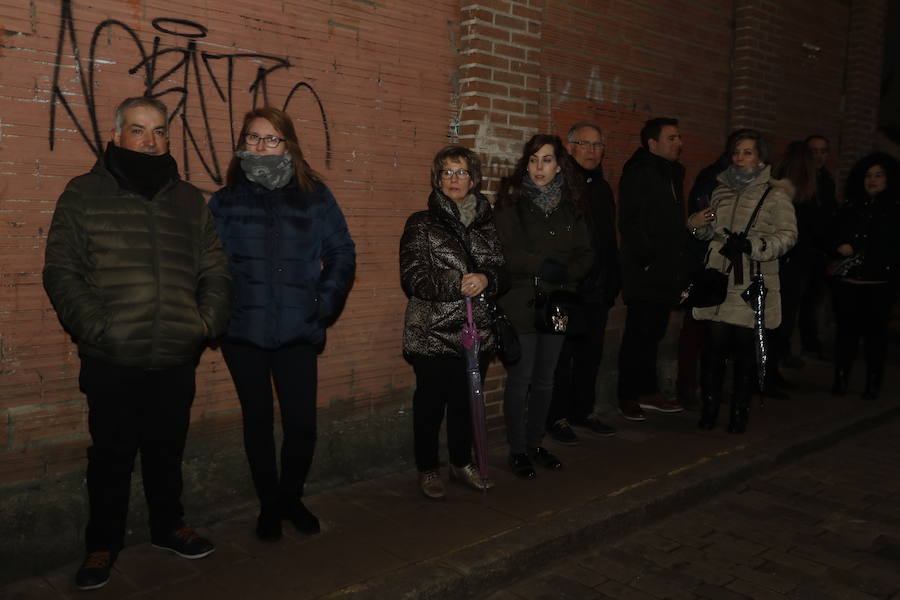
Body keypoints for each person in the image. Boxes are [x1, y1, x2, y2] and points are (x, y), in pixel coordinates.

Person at [43, 96, 232, 590]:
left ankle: (169, 527)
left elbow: (215, 267)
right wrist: (97, 328)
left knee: (167, 450)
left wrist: (205, 322)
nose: (150, 141)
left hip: (175, 352)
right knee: (110, 455)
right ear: (116, 135)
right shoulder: (83, 194)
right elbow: (62, 271)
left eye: (159, 131)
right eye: (138, 130)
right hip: (112, 356)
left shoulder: (190, 200)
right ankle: (102, 545)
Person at [209, 107, 356, 541]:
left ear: (288, 144)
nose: (261, 146)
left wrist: (322, 303)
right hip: (243, 334)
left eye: (271, 139)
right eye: (253, 138)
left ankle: (292, 497)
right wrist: (219, 313)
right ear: (242, 144)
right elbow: (207, 266)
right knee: (257, 422)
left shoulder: (315, 196)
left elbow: (342, 253)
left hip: (298, 329)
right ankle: (269, 505)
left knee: (301, 423)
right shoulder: (225, 201)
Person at [400, 145, 507, 499]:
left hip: (474, 333)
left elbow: (502, 270)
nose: (454, 179)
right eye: (446, 172)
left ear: (474, 179)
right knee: (430, 405)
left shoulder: (487, 223)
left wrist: (487, 279)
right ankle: (428, 468)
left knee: (465, 403)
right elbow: (412, 276)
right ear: (437, 179)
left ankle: (461, 463)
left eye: (461, 172)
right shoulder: (421, 223)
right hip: (432, 331)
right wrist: (457, 283)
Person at [494, 134, 593, 479]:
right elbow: (504, 252)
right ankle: (518, 449)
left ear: (558, 165)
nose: (539, 167)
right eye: (534, 159)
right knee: (521, 378)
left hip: (559, 302)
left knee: (546, 378)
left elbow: (586, 252)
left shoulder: (571, 205)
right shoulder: (511, 203)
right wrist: (541, 266)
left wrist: (568, 273)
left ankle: (536, 442)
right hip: (522, 301)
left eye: (547, 160)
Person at [687, 129, 796, 433]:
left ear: (761, 157)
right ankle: (709, 411)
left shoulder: (775, 195)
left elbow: (788, 237)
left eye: (747, 152)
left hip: (752, 281)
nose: (739, 157)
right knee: (713, 346)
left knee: (744, 350)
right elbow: (711, 233)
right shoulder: (721, 190)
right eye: (736, 151)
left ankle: (739, 413)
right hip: (720, 278)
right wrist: (697, 226)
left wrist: (754, 246)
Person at [546, 122, 620, 444]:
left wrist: (613, 279)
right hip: (567, 291)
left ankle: (583, 411)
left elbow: (607, 240)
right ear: (571, 148)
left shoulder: (602, 188)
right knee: (560, 356)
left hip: (598, 290)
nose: (591, 151)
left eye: (597, 145)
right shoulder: (560, 186)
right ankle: (556, 417)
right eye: (584, 144)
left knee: (591, 354)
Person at [617, 117, 691, 421]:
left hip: (665, 269)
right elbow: (632, 222)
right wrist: (647, 259)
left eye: (678, 137)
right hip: (645, 269)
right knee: (639, 332)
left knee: (654, 332)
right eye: (671, 138)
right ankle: (628, 395)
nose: (679, 143)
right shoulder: (641, 172)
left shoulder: (670, 173)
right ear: (653, 144)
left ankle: (648, 392)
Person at [829, 153, 900, 399]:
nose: (873, 180)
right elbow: (832, 236)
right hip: (849, 282)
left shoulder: (894, 210)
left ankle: (873, 383)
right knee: (846, 333)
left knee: (875, 337)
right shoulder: (850, 207)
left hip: (880, 284)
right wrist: (840, 246)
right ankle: (841, 379)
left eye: (879, 175)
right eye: (868, 175)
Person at [770, 140, 819, 395]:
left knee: (778, 321)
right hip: (790, 264)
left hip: (785, 263)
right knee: (780, 321)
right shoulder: (800, 195)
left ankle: (769, 372)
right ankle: (768, 374)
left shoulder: (780, 188)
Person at [798, 134, 838, 359]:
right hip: (803, 250)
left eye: (823, 151)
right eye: (814, 150)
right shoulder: (802, 180)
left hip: (819, 252)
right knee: (801, 300)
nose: (819, 156)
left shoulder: (827, 180)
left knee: (813, 299)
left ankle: (810, 343)